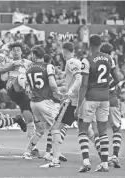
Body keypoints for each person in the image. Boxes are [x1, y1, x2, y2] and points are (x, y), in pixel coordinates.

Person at [76, 35, 120, 172]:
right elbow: (118, 78)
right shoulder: (109, 59)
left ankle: (86, 161)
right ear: (100, 44)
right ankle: (105, 164)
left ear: (89, 44)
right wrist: (106, 86)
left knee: (83, 130)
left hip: (90, 98)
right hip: (105, 99)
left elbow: (83, 85)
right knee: (103, 132)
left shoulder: (86, 60)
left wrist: (79, 105)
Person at [40, 42, 82, 168]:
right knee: (87, 130)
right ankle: (104, 157)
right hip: (79, 101)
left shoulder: (71, 62)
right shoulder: (78, 62)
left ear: (64, 51)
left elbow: (78, 78)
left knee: (55, 128)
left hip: (72, 102)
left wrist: (69, 92)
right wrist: (63, 91)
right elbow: (73, 81)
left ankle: (55, 160)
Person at [18, 46, 63, 159]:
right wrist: (58, 92)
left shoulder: (28, 68)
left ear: (34, 55)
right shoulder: (48, 66)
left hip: (34, 103)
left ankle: (27, 152)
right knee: (58, 125)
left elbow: (26, 85)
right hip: (45, 102)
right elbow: (52, 84)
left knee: (40, 129)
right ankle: (54, 155)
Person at [0, 42, 42, 158]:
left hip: (24, 95)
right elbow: (2, 77)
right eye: (13, 50)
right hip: (13, 89)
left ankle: (33, 148)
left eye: (18, 50)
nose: (15, 52)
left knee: (30, 120)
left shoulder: (28, 63)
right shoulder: (8, 63)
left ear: (22, 52)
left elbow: (36, 72)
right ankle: (29, 89)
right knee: (20, 77)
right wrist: (9, 68)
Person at [99, 42, 122, 168]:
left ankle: (103, 157)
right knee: (116, 129)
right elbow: (117, 79)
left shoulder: (96, 62)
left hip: (99, 99)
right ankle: (115, 156)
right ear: (110, 52)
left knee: (100, 130)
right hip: (112, 99)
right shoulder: (111, 61)